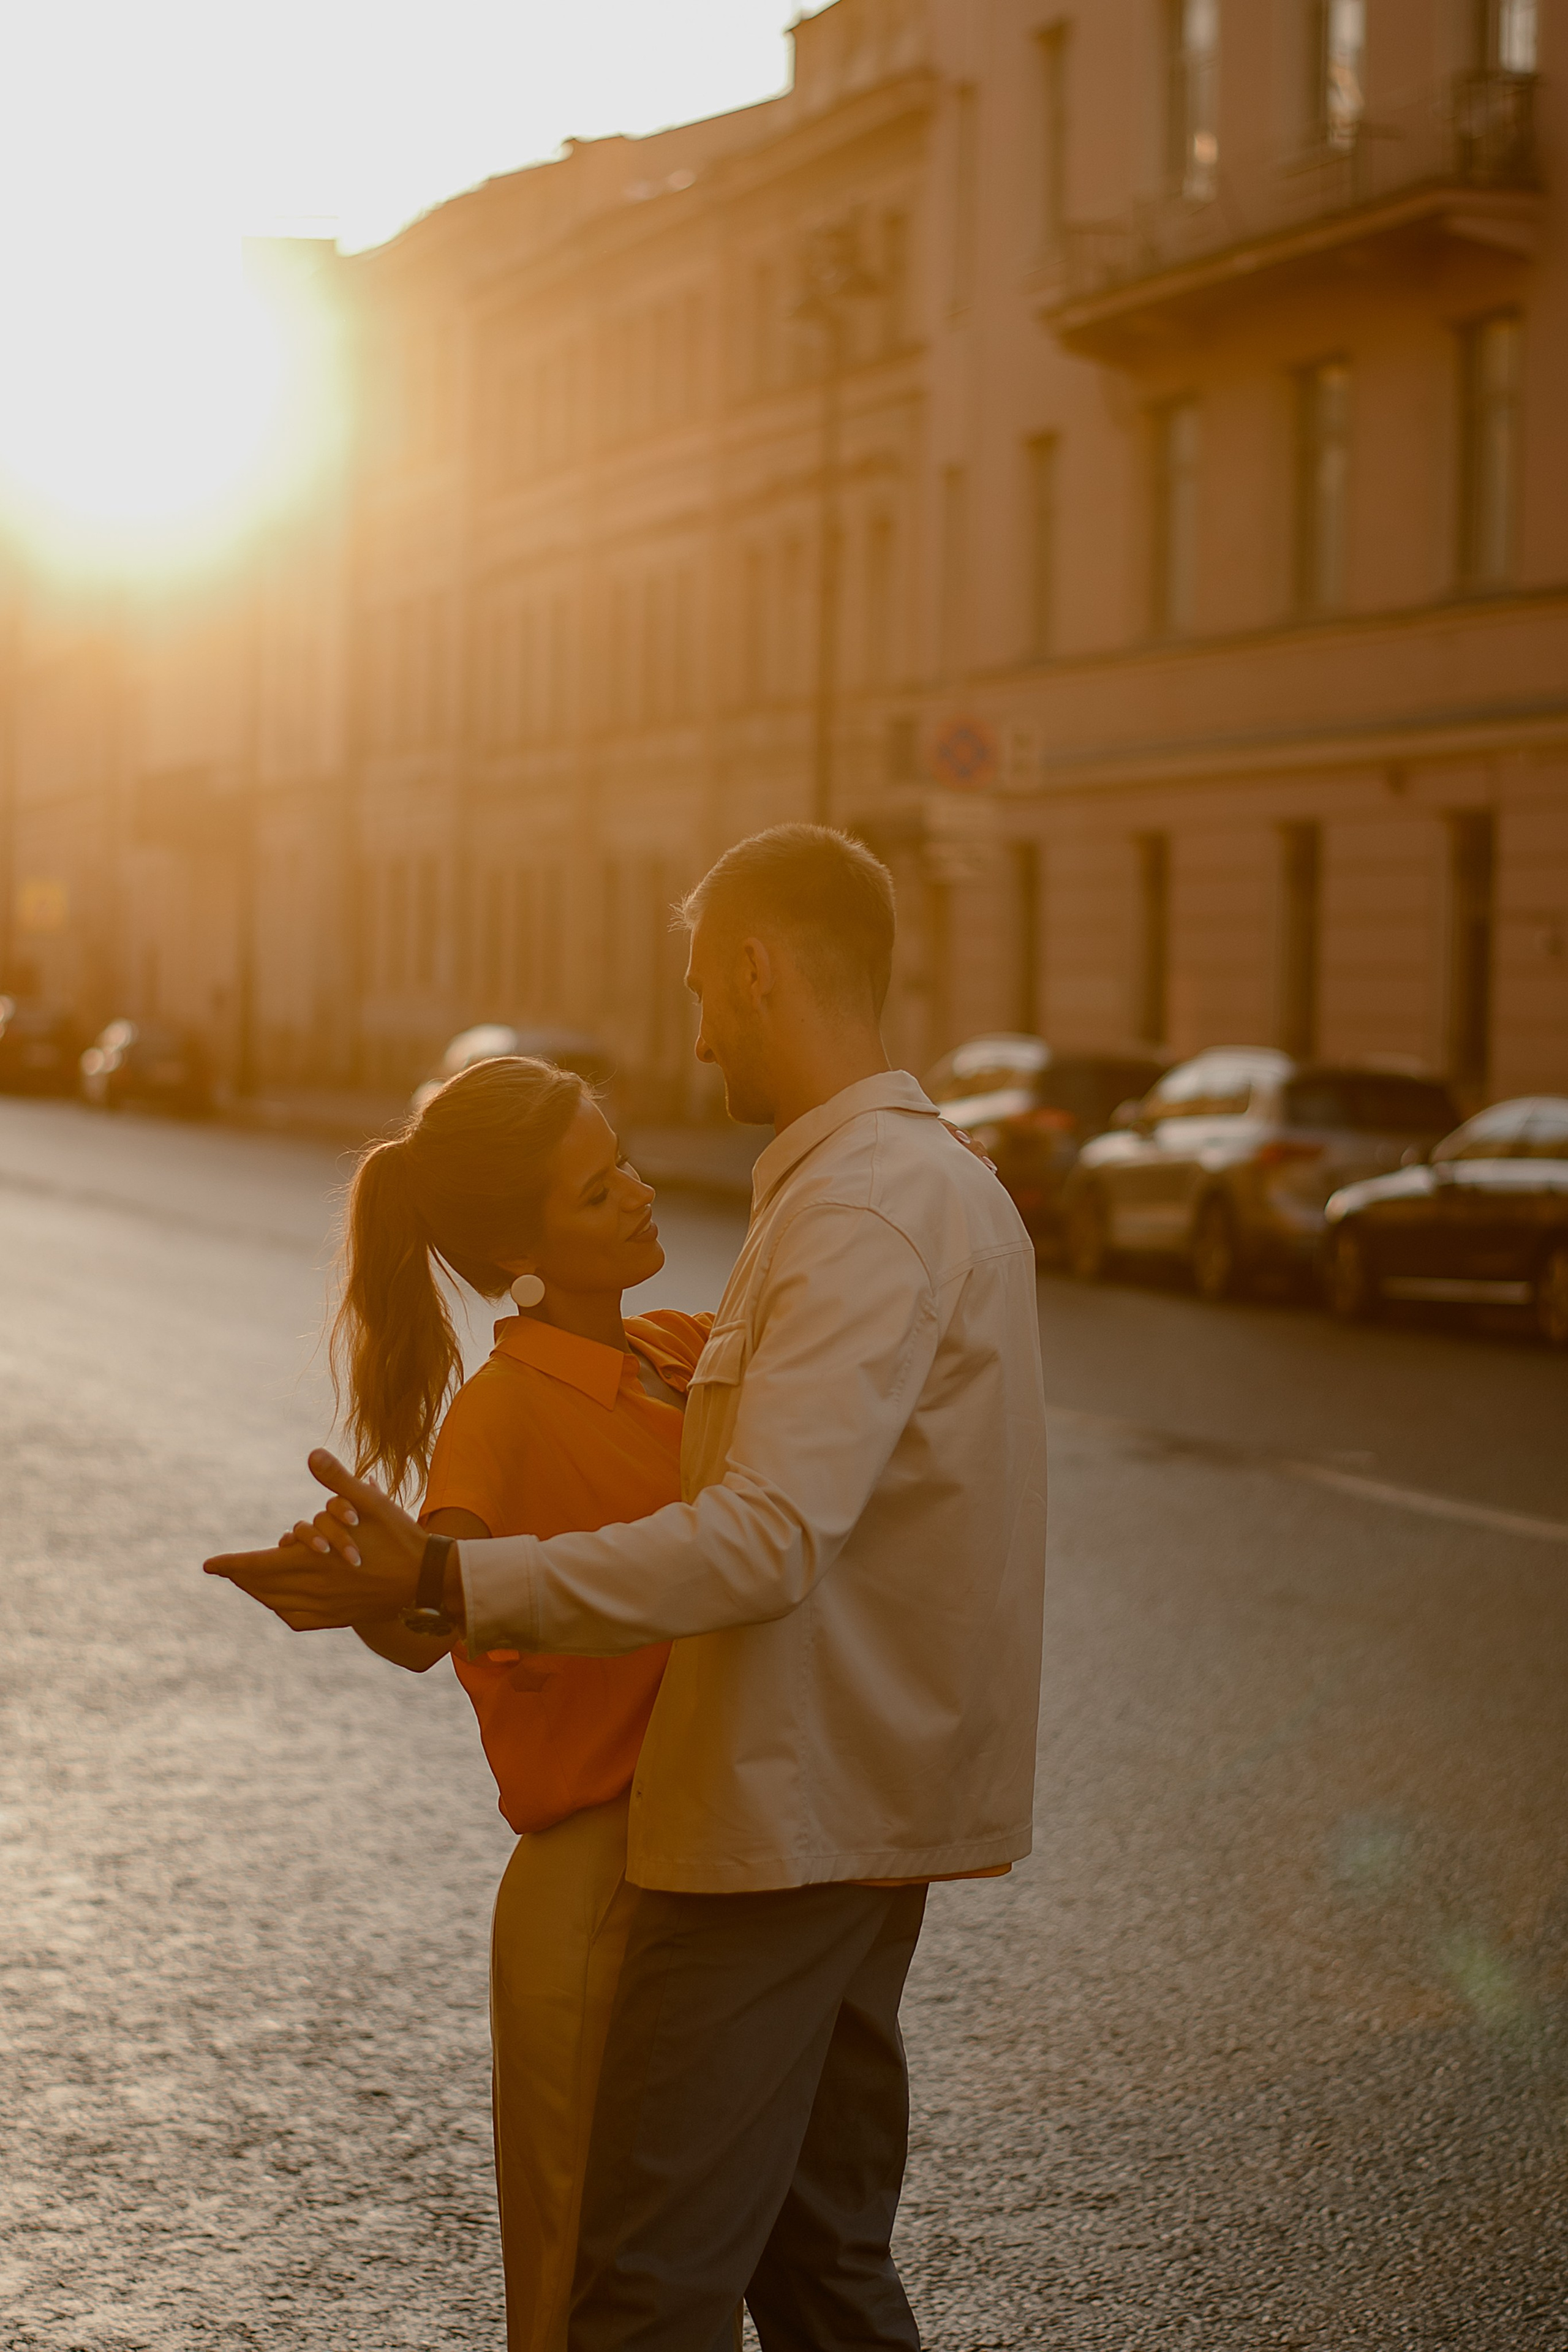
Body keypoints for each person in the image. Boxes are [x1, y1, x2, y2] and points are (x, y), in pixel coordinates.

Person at [208, 821, 1049, 2352]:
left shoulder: (847, 1214)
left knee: (662, 2290)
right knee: (792, 2273)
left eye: (698, 989)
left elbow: (766, 1532)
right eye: (598, 1188)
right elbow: (473, 1589)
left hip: (779, 1819)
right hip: (747, 1822)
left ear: (751, 966)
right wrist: (411, 1589)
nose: (696, 1030)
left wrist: (443, 1580)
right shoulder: (860, 1197)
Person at [314, 1050, 714, 2352]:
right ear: (516, 1248)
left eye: (624, 1161)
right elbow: (433, 1618)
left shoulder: (681, 1350)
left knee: (704, 2258)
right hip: (590, 1896)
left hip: (717, 1855)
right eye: (601, 1194)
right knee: (577, 2279)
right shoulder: (499, 1415)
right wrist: (381, 1587)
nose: (642, 1195)